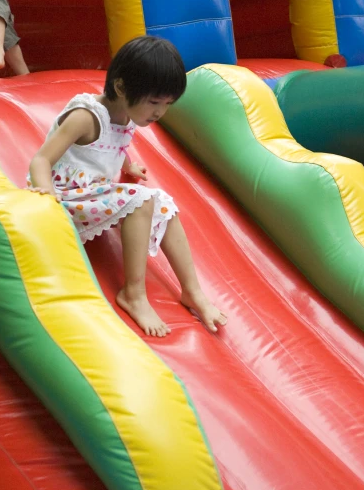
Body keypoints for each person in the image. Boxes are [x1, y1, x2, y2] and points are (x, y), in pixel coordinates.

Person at [29, 36, 228, 338]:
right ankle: (133, 294)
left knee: (163, 202)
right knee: (144, 200)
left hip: (93, 195)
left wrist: (128, 166)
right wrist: (46, 195)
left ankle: (193, 291)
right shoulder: (85, 116)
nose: (160, 111)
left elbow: (114, 143)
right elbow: (41, 160)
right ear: (121, 87)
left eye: (167, 103)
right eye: (154, 101)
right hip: (63, 199)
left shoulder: (128, 113)